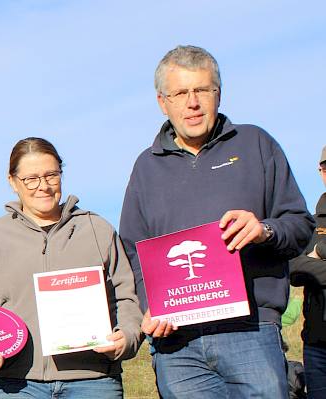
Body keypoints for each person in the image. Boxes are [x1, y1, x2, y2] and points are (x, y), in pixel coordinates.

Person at [120, 45, 315, 398]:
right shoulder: (145, 167)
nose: (192, 103)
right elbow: (133, 251)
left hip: (251, 332)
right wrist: (151, 306)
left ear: (218, 95)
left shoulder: (256, 143)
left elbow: (300, 225)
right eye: (180, 93)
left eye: (202, 90)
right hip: (177, 345)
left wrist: (264, 231)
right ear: (163, 102)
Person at [0, 137, 142, 398]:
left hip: (93, 380)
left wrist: (126, 337)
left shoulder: (97, 229)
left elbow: (125, 296)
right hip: (18, 383)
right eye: (31, 178)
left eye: (52, 175)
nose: (43, 186)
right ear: (12, 181)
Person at [289, 145, 326, 398]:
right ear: (321, 171)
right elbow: (293, 269)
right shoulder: (311, 223)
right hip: (316, 346)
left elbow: (305, 265)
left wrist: (318, 253)